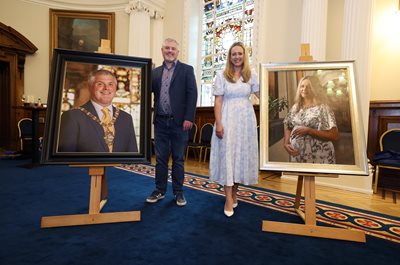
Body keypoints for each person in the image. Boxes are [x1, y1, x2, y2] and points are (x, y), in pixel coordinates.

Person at [209, 42, 260, 217]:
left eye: (239, 54)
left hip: (246, 122)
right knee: (228, 157)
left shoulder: (251, 75)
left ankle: (234, 192)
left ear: (244, 55)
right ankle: (228, 198)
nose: (236, 57)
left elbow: (263, 96)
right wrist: (219, 123)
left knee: (240, 157)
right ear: (229, 57)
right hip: (227, 118)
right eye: (233, 54)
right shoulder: (222, 75)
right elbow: (218, 102)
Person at [146, 38, 198, 206]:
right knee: (160, 158)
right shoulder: (154, 72)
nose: (170, 51)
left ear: (177, 52)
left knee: (178, 159)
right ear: (162, 50)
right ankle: (160, 190)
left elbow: (192, 94)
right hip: (160, 122)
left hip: (180, 123)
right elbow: (146, 94)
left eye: (173, 49)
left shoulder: (187, 70)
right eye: (167, 48)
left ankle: (178, 192)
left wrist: (189, 117)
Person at [58, 69, 138, 152]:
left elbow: (133, 158)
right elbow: (65, 159)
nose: (106, 88)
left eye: (110, 84)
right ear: (90, 87)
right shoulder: (73, 117)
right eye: (100, 84)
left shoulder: (126, 118)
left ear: (115, 88)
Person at [283, 75, 339, 164]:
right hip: (298, 155)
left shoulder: (323, 108)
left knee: (318, 178)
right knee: (299, 177)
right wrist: (286, 143)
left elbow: (334, 135)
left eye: (309, 87)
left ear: (315, 89)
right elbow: (288, 126)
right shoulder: (295, 107)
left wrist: (309, 131)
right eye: (302, 86)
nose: (304, 89)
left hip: (320, 155)